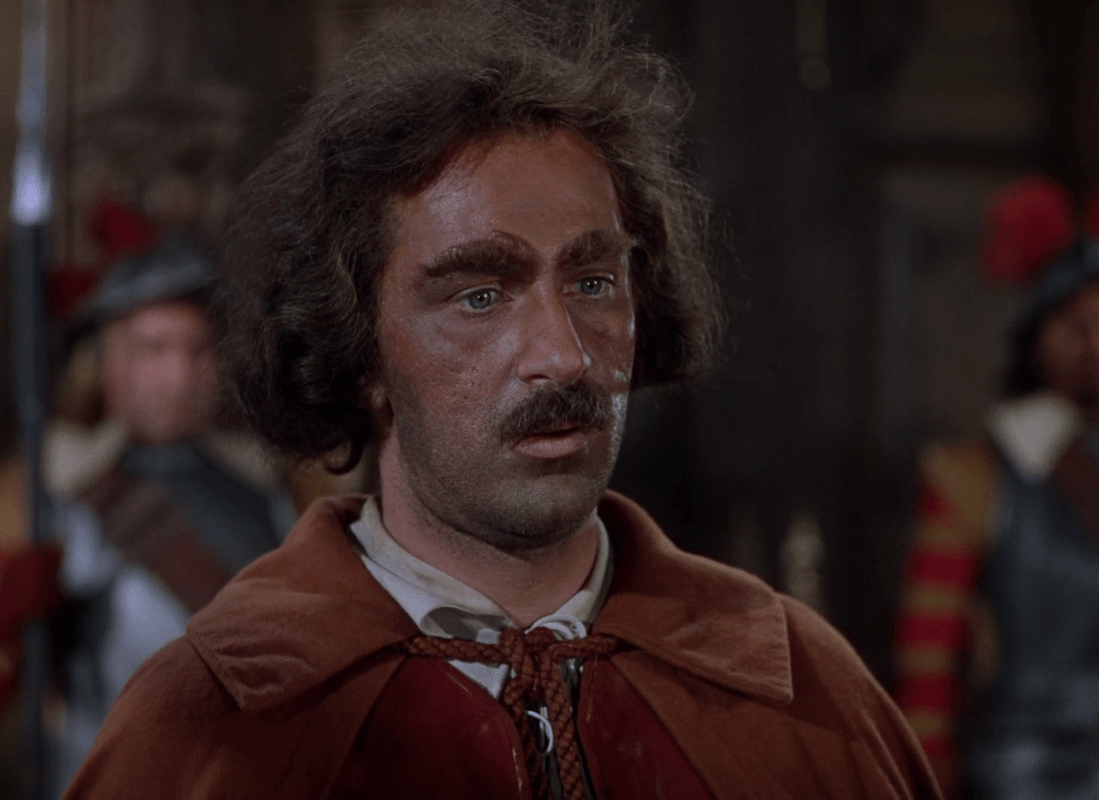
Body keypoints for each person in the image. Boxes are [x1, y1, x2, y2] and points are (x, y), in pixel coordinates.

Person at [66, 2, 940, 798]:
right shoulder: (212, 725)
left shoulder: (799, 693)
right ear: (359, 351)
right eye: (479, 295)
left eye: (592, 282)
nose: (563, 355)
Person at [47, 233, 285, 795]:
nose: (178, 377)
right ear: (106, 361)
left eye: (197, 350)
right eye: (152, 350)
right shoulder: (58, 496)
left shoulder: (267, 495)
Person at [894, 177, 1099, 799]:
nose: (1093, 343)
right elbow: (929, 648)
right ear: (1036, 337)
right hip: (1021, 772)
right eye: (1073, 324)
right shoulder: (975, 476)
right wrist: (929, 763)